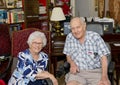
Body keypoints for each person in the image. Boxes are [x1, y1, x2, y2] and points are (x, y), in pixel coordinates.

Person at [63, 17, 111, 85]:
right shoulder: (69, 37)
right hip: (77, 73)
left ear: (84, 26)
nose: (76, 31)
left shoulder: (95, 37)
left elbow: (103, 58)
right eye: (73, 28)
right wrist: (72, 63)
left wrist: (104, 76)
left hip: (95, 72)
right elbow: (68, 56)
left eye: (78, 27)